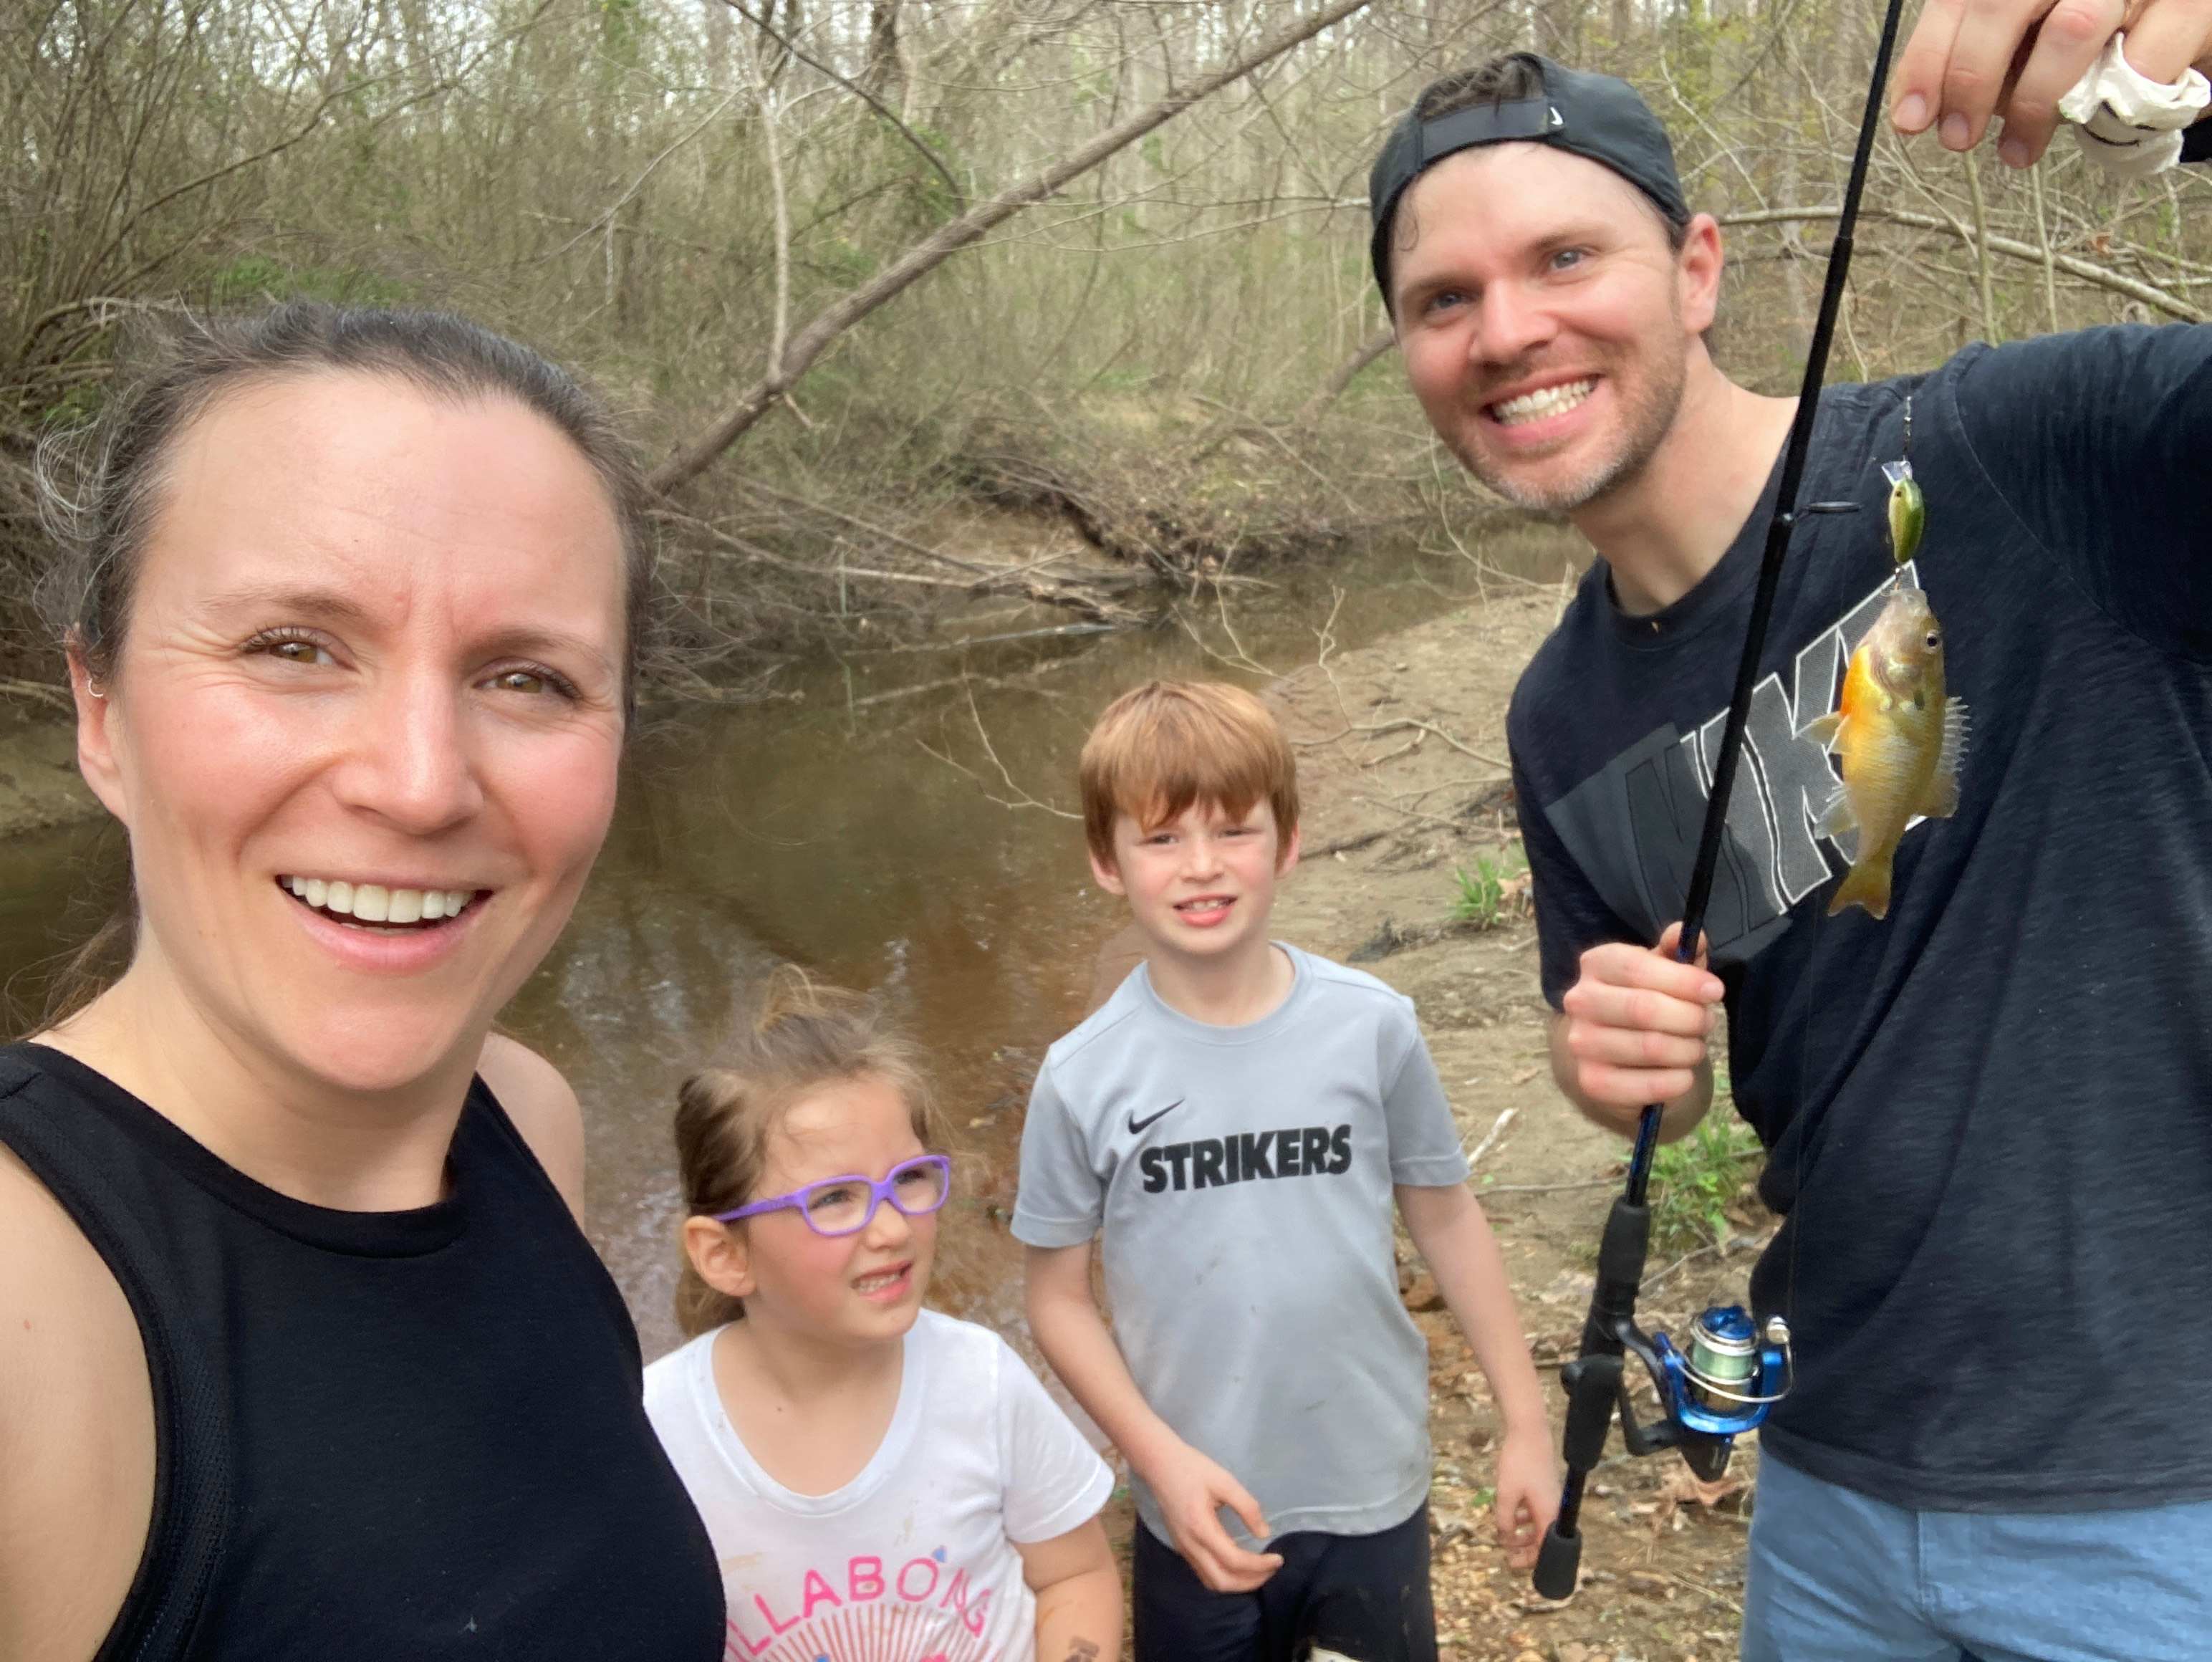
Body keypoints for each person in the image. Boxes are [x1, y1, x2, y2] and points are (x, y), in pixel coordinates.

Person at [1366, 42, 2212, 1662]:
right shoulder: (1558, 715)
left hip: (2162, 1493)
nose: (1507, 329)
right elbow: (1666, 1083)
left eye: (1563, 256)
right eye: (1443, 297)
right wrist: (1614, 1065)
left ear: (1696, 269)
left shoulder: (2025, 455)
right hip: (1828, 1490)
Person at [0, 303, 723, 1659]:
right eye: (293, 647)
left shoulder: (527, 1122)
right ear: (100, 713)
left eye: (527, 678)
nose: (419, 783)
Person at [1013, 679, 1558, 1662]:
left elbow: (1447, 1218)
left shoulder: (1372, 1027)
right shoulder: (1081, 1076)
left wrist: (1526, 1421)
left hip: (1370, 1488)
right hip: (1195, 1504)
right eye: (1161, 838)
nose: (1202, 865)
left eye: (1234, 830)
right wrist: (1155, 1460)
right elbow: (1055, 1298)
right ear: (1106, 860)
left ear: (1289, 840)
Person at [646, 971, 1122, 1662]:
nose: (894, 1228)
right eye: (834, 1199)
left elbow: (1074, 1574)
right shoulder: (657, 1434)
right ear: (725, 1254)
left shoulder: (980, 1382)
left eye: (909, 1179)